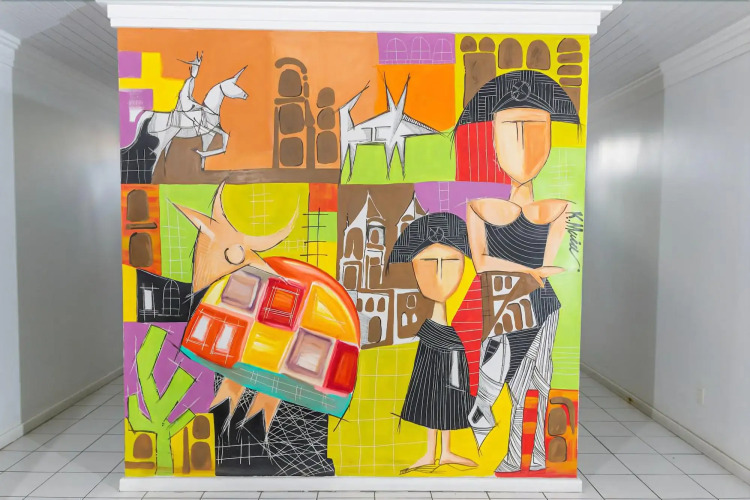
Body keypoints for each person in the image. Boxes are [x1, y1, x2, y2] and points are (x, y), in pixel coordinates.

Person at [455, 70, 579, 473]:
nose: (524, 142)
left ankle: (532, 454)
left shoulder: (558, 208)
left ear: (549, 141)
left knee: (538, 380)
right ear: (494, 142)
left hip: (540, 304)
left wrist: (532, 275)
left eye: (536, 130)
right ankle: (512, 452)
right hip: (503, 303)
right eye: (511, 130)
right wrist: (529, 271)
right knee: (507, 380)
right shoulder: (479, 207)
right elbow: (481, 263)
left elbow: (550, 264)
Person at [388, 212, 478, 473]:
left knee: (452, 392)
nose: (439, 271)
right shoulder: (423, 321)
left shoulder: (466, 313)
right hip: (434, 336)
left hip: (450, 338)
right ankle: (431, 452)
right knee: (429, 392)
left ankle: (445, 451)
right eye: (428, 261)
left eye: (451, 261)